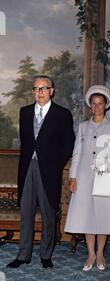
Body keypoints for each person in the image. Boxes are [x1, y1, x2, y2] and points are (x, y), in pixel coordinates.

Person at [7, 75, 75, 269]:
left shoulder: (62, 114)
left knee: (48, 214)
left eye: (44, 88)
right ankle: (23, 255)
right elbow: (26, 143)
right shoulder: (25, 112)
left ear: (51, 90)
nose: (40, 92)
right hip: (27, 169)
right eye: (36, 89)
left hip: (49, 171)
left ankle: (45, 255)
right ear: (33, 91)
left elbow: (68, 144)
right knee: (26, 213)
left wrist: (55, 164)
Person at [64, 85, 110, 271]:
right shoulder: (83, 127)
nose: (97, 107)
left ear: (106, 105)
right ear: (90, 106)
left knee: (102, 215)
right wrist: (73, 177)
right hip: (84, 175)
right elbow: (77, 152)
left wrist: (105, 163)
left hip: (104, 176)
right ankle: (90, 253)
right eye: (94, 104)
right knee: (87, 214)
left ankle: (100, 254)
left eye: (100, 103)